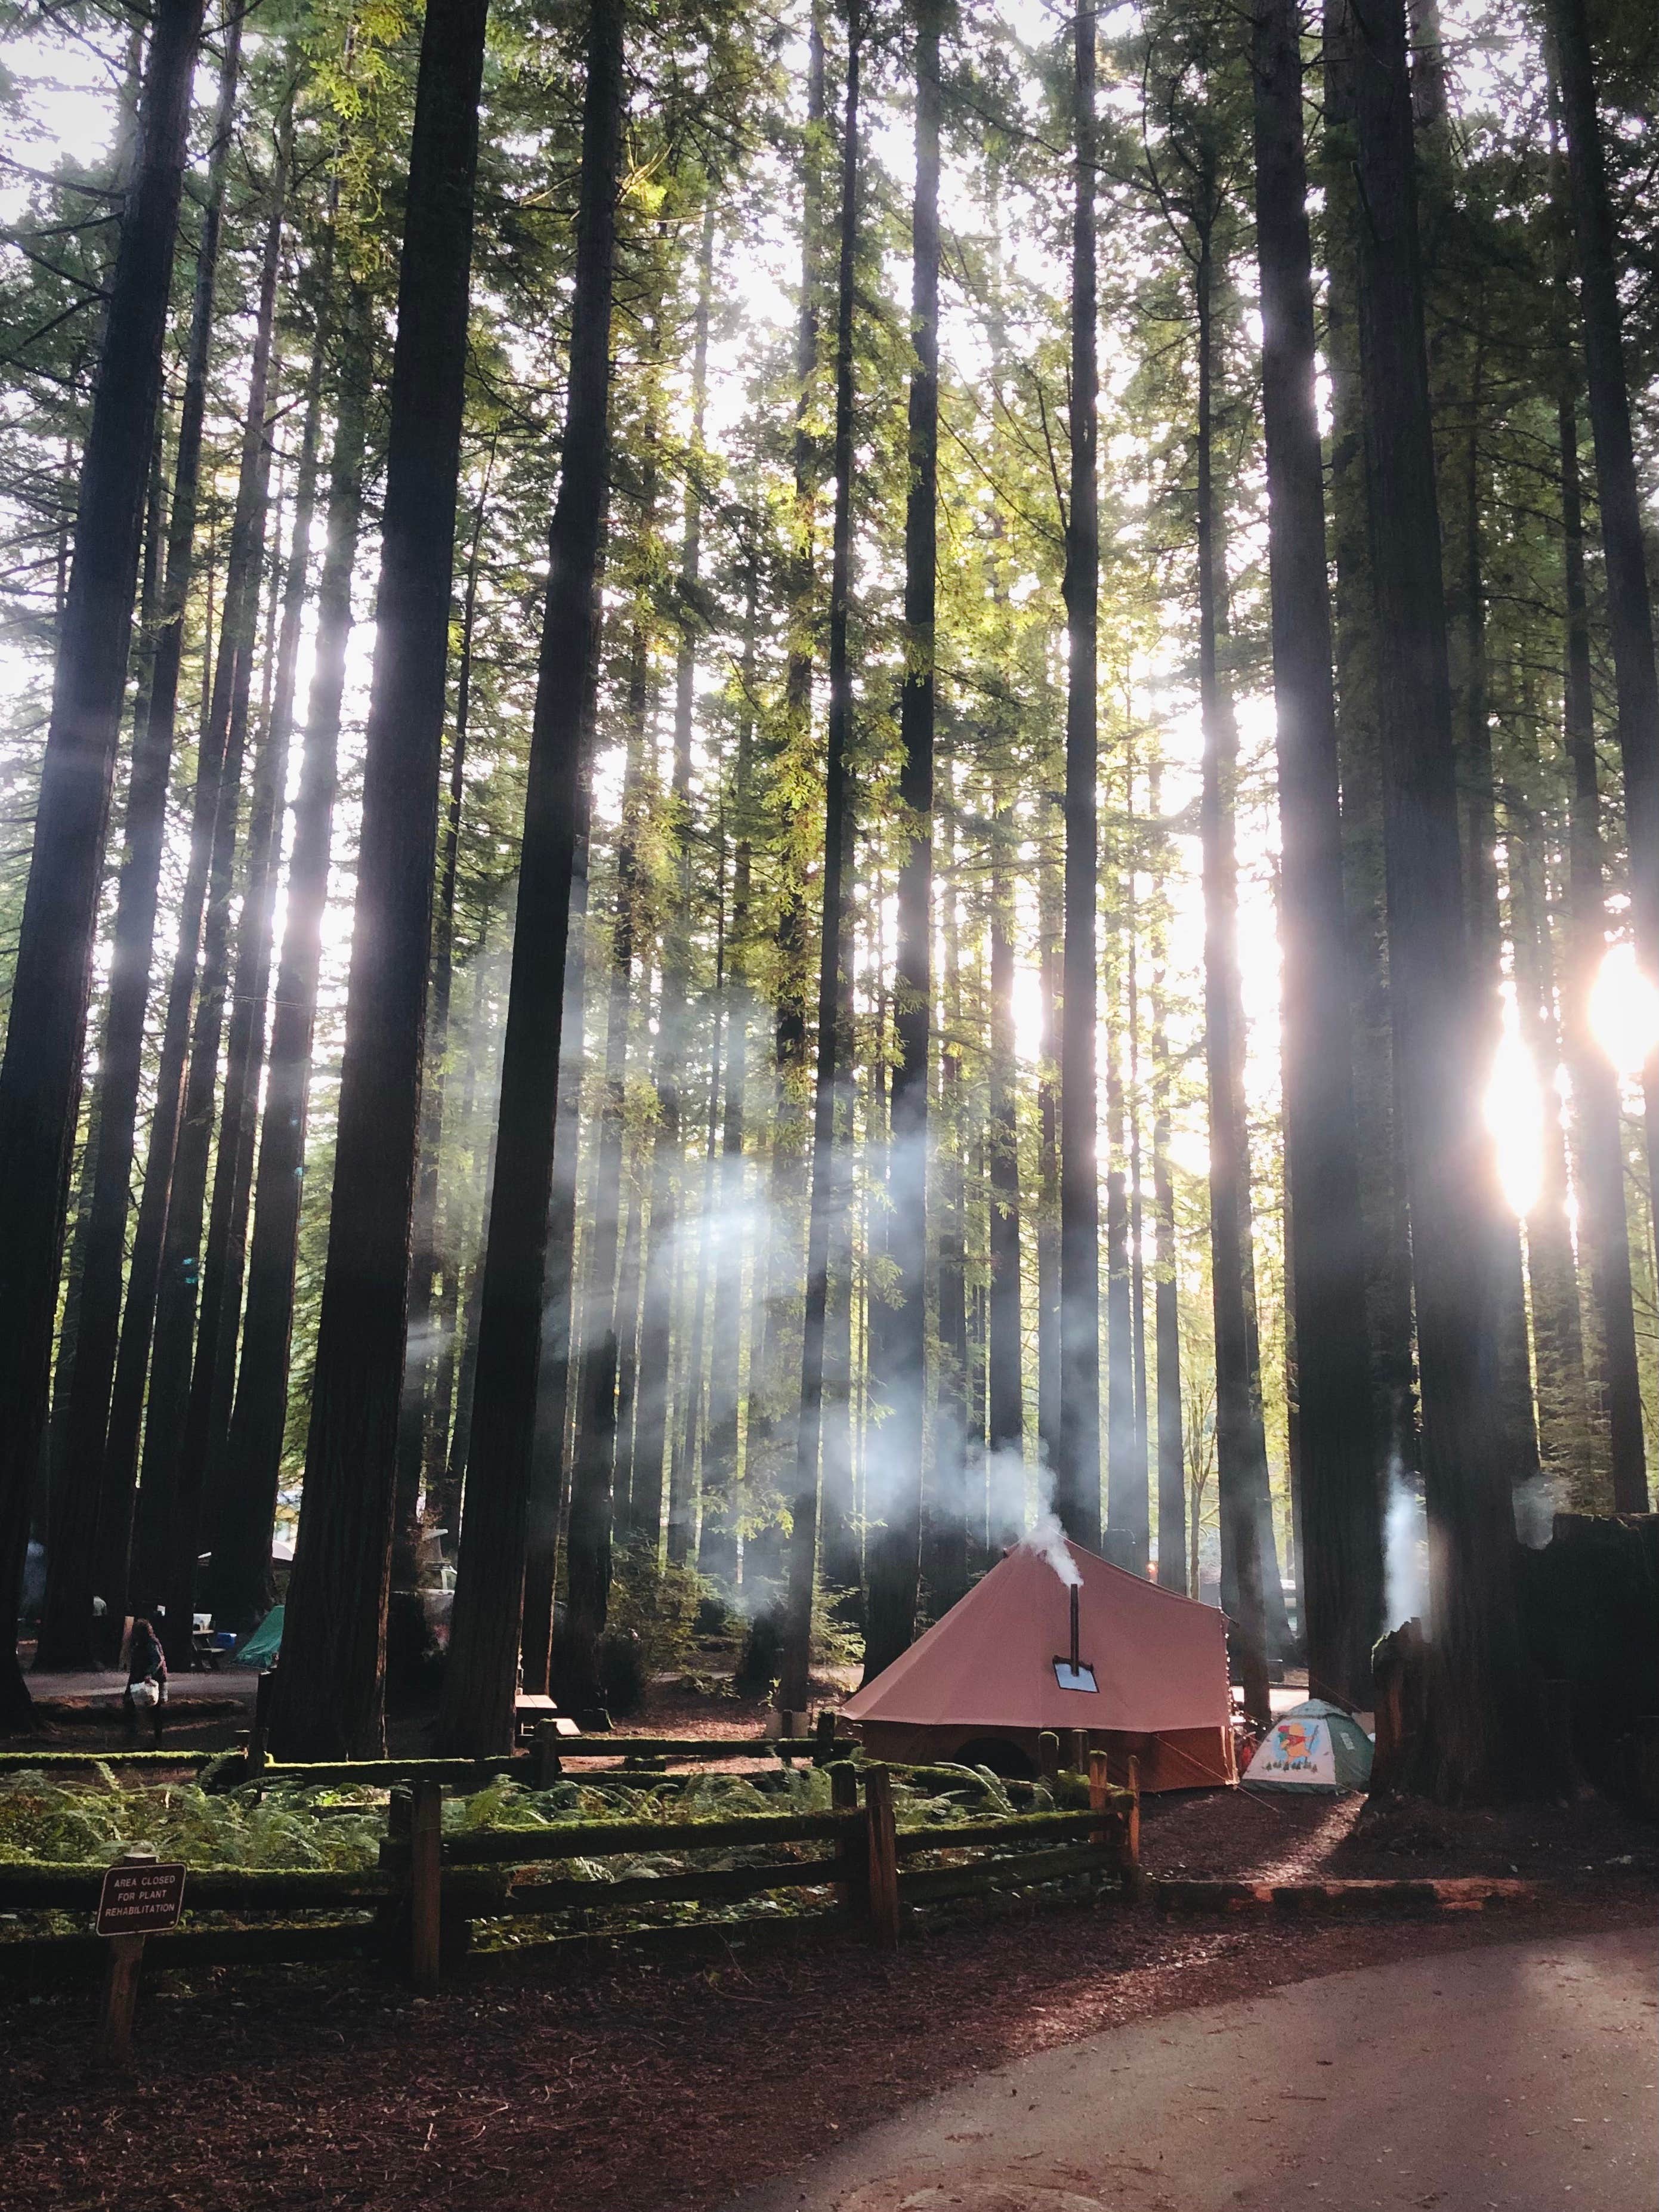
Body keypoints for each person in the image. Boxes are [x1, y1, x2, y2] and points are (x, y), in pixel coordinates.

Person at [124, 1617, 168, 1743]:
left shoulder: (150, 1643)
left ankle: (154, 1736)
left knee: (155, 1707)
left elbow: (158, 1660)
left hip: (152, 1678)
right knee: (135, 1703)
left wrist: (149, 1673)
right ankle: (136, 1733)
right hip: (143, 1676)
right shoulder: (144, 1643)